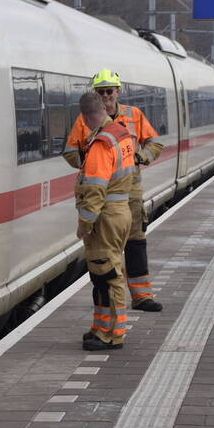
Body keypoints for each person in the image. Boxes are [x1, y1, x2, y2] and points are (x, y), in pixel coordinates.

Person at [64, 70, 165, 312]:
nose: (106, 96)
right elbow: (70, 152)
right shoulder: (85, 118)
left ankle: (142, 296)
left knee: (136, 243)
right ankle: (111, 311)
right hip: (103, 197)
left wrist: (141, 157)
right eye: (100, 92)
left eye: (109, 91)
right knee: (106, 252)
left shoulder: (134, 115)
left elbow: (155, 143)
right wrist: (92, 162)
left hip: (131, 193)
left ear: (118, 91)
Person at [74, 91, 136, 351]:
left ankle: (113, 334)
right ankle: (100, 327)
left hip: (105, 217)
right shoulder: (120, 133)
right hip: (120, 211)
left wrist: (84, 225)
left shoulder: (101, 143)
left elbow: (94, 190)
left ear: (85, 116)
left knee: (108, 275)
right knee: (101, 275)